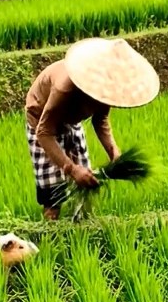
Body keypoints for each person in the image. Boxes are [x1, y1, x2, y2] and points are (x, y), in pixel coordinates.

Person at [25, 37, 160, 221]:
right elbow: (44, 132)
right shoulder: (65, 88)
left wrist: (114, 151)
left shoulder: (106, 87)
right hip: (42, 122)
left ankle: (82, 229)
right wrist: (71, 169)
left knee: (86, 184)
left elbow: (100, 118)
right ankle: (51, 234)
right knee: (52, 195)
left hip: (71, 121)